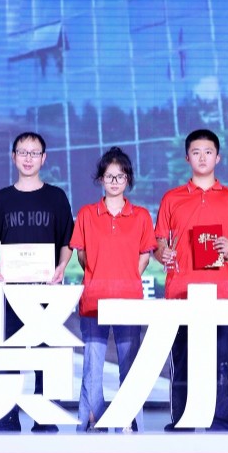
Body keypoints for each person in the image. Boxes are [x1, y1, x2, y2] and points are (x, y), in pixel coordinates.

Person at [0, 131, 74, 432]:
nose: (28, 158)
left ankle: (45, 416)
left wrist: (62, 266)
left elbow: (67, 240)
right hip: (11, 292)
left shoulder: (56, 197)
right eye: (23, 152)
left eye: (34, 153)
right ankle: (7, 415)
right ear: (13, 157)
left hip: (46, 292)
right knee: (9, 352)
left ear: (44, 158)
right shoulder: (2, 199)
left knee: (46, 353)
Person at [153, 129, 228, 431]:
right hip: (181, 292)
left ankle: (221, 421)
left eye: (208, 152)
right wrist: (163, 253)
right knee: (182, 361)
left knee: (221, 362)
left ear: (217, 157)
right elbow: (158, 241)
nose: (202, 157)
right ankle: (182, 421)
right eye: (196, 152)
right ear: (187, 158)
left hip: (221, 293)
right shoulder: (172, 198)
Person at [69, 147, 156, 432]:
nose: (115, 182)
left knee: (130, 365)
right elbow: (82, 256)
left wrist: (124, 276)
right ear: (101, 179)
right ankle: (92, 420)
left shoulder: (141, 216)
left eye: (120, 176)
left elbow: (144, 256)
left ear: (128, 179)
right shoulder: (87, 214)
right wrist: (102, 274)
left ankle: (129, 420)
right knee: (92, 365)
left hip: (128, 299)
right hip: (94, 298)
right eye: (109, 176)